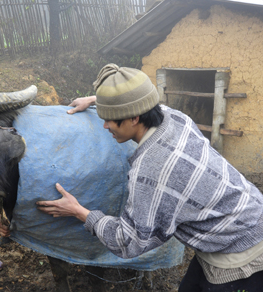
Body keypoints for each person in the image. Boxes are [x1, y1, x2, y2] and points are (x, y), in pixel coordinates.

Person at [36, 63, 263, 291]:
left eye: (110, 119)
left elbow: (129, 241)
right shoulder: (174, 117)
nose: (104, 125)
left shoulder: (151, 171)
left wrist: (77, 211)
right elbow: (144, 101)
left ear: (134, 118)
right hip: (245, 214)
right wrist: (97, 101)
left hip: (241, 253)